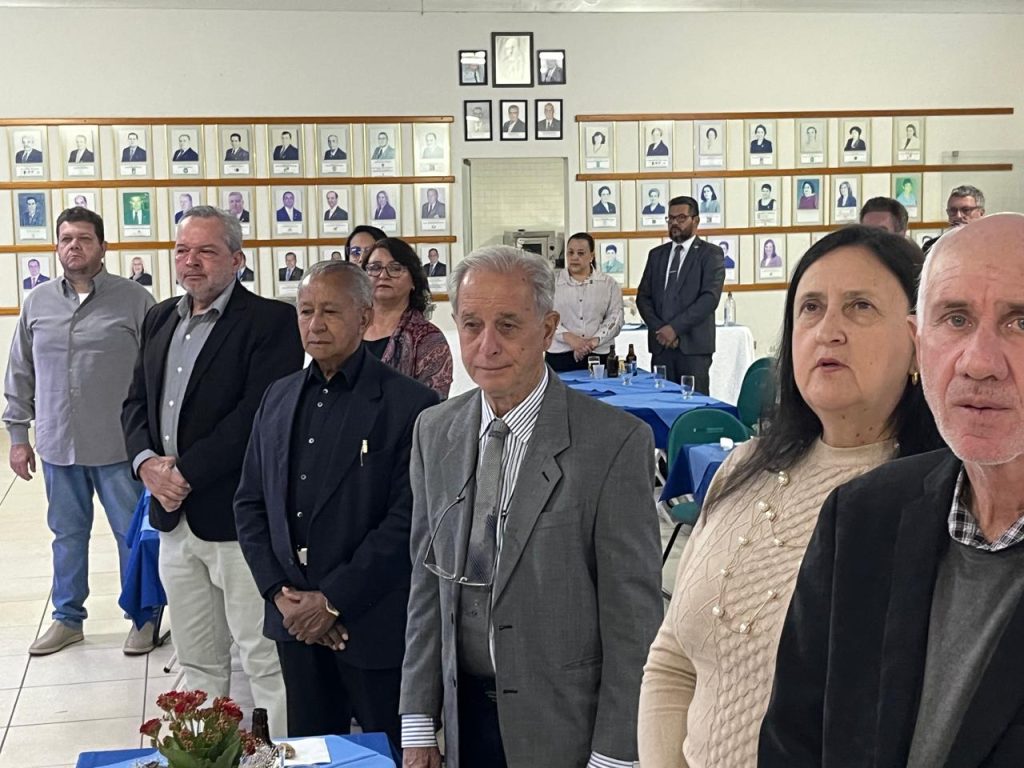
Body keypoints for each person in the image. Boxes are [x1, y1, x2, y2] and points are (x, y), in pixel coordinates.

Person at [640, 226, 942, 768]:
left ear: (918, 340)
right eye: (811, 308)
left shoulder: (938, 504)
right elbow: (672, 660)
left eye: (861, 307)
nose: (828, 331)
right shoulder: (743, 468)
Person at [760, 214, 1024, 766]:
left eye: (1020, 323)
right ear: (918, 342)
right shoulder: (863, 515)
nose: (979, 362)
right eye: (955, 319)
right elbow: (793, 739)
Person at [400, 246, 663, 768]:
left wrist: (615, 755)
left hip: (564, 726)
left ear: (547, 330)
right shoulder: (435, 430)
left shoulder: (612, 444)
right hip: (464, 719)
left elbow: (633, 621)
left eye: (508, 325)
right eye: (472, 325)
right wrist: (418, 721)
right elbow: (426, 584)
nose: (487, 345)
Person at [234, 261, 439, 747]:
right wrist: (281, 594)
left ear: (364, 317)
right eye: (306, 311)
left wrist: (331, 602)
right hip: (294, 623)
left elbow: (408, 520)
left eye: (330, 311)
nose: (315, 324)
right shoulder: (277, 396)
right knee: (312, 751)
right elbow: (250, 503)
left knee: (387, 750)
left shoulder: (409, 403)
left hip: (371, 623)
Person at [122, 205, 303, 738]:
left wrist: (183, 474)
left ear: (237, 260)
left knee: (263, 656)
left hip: (235, 520)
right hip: (172, 519)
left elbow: (254, 416)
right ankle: (206, 754)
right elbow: (135, 403)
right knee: (197, 657)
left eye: (206, 250)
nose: (191, 262)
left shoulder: (271, 322)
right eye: (182, 250)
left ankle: (277, 758)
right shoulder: (160, 317)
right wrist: (146, 466)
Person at [5, 207, 156, 656]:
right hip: (58, 445)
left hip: (118, 446)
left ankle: (144, 617)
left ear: (103, 247)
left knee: (132, 535)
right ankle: (68, 618)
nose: (74, 246)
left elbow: (156, 372)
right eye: (66, 238)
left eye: (84, 239)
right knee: (66, 535)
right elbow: (20, 371)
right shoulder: (37, 302)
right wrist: (17, 436)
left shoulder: (135, 300)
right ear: (57, 246)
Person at [636, 195, 725, 395]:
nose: (675, 223)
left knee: (694, 405)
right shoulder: (656, 255)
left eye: (681, 218)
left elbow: (709, 299)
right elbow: (643, 297)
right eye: (671, 218)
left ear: (696, 220)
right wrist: (661, 330)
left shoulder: (710, 254)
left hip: (693, 348)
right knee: (660, 402)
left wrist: (674, 329)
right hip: (661, 347)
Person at [360, 237, 452, 398]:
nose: (383, 275)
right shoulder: (347, 328)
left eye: (395, 268)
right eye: (375, 268)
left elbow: (434, 405)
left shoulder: (429, 339)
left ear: (413, 281)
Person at [545, 232, 623, 372]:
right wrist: (570, 339)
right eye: (570, 253)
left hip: (599, 353)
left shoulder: (608, 284)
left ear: (591, 256)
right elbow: (543, 315)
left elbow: (616, 317)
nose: (574, 257)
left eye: (580, 253)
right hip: (560, 354)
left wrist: (594, 341)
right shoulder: (551, 283)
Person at [923, 184, 987, 255]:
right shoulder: (932, 246)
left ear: (981, 213)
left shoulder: (992, 245)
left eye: (966, 210)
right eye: (953, 211)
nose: (958, 216)